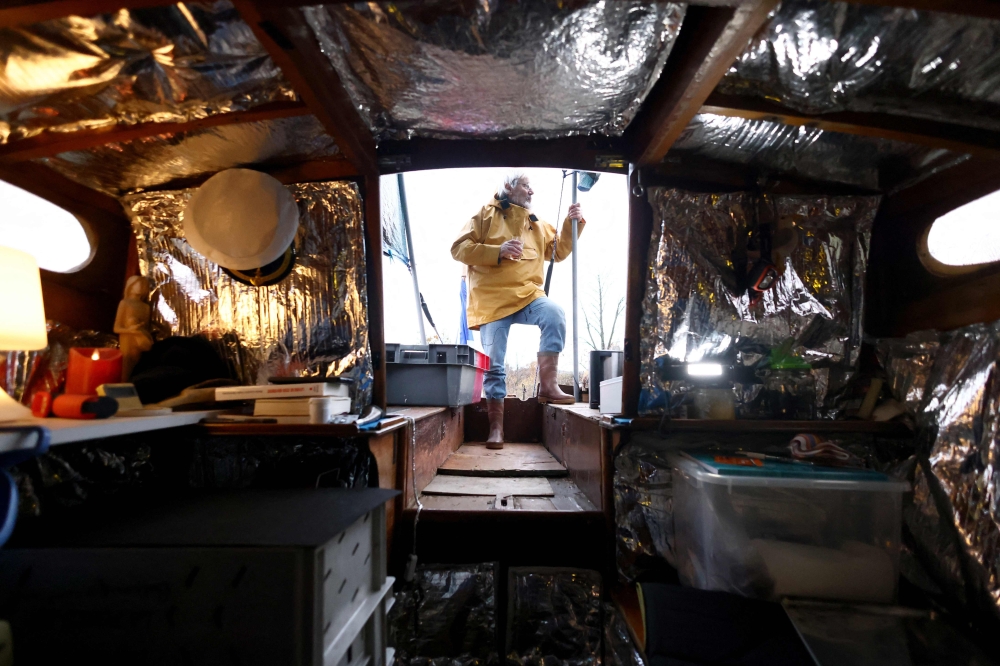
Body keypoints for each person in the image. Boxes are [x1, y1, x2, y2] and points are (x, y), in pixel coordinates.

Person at [451, 171, 585, 449]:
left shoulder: (536, 224)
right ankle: (496, 427)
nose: (531, 191)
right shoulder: (485, 215)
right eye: (526, 186)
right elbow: (458, 248)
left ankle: (548, 387)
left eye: (531, 187)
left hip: (528, 295)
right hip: (492, 301)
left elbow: (558, 252)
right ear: (509, 187)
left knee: (554, 314)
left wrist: (573, 224)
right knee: (495, 364)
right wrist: (497, 250)